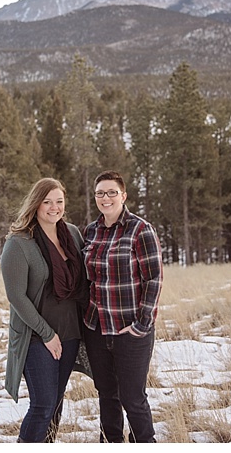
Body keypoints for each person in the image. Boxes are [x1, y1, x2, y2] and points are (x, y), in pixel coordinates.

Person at [1, 178, 88, 442]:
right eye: (47, 202)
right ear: (36, 204)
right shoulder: (19, 243)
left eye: (59, 201)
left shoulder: (72, 233)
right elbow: (16, 296)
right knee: (43, 404)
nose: (54, 207)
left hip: (70, 332)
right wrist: (47, 334)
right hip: (37, 337)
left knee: (56, 403)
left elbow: (85, 279)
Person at [82, 170, 163, 442]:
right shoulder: (91, 231)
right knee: (107, 394)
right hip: (97, 329)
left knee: (133, 398)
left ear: (123, 195)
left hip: (130, 331)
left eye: (112, 192)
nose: (106, 198)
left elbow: (154, 278)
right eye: (100, 193)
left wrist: (142, 325)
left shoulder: (140, 229)